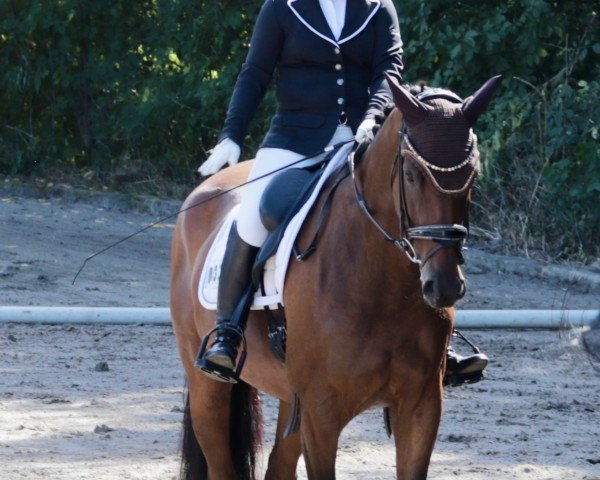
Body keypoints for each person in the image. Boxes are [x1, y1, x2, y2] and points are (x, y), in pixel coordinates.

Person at [196, 0, 488, 384]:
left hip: (364, 140)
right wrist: (231, 136)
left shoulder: (379, 8)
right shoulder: (281, 9)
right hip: (294, 141)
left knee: (409, 216)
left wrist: (372, 115)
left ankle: (437, 343)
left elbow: (389, 71)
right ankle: (228, 333)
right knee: (253, 218)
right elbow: (255, 75)